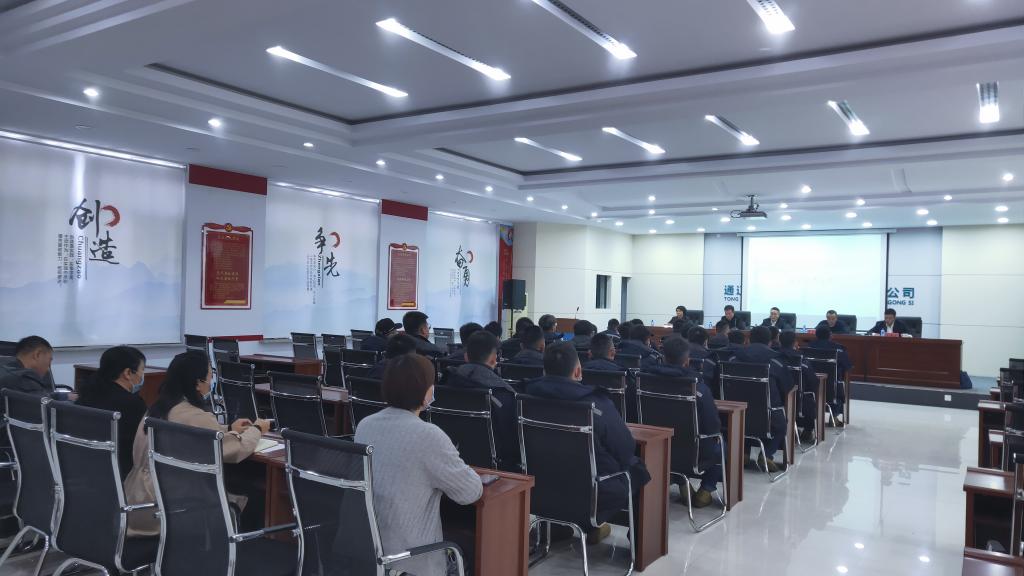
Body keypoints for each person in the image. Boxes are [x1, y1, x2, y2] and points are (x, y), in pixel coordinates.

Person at [355, 354, 482, 576]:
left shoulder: (365, 425)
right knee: (473, 546)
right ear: (426, 393)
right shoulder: (428, 435)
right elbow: (470, 493)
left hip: (367, 552)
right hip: (410, 562)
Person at [125, 350, 271, 535]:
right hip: (169, 505)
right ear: (197, 383)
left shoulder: (157, 409)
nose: (211, 381)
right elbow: (236, 450)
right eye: (209, 376)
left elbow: (196, 431)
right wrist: (257, 429)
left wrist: (228, 428)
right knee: (254, 494)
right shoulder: (194, 415)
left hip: (138, 498)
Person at [525, 343, 650, 537]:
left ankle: (562, 529)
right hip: (592, 493)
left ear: (544, 371)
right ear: (577, 371)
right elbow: (625, 448)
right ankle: (624, 536)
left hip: (539, 488)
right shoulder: (595, 404)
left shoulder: (525, 398)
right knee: (638, 469)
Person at [642, 336, 722, 507]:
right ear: (687, 361)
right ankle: (706, 490)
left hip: (655, 448)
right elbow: (712, 426)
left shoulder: (645, 381)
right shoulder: (697, 387)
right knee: (722, 445)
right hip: (692, 452)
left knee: (676, 445)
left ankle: (682, 483)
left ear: (663, 357)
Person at [445, 331, 519, 470]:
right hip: (493, 465)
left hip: (451, 458)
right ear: (494, 359)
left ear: (466, 357)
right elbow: (511, 441)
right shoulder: (504, 393)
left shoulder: (446, 380)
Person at [75, 345, 148, 480]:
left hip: (84, 469)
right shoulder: (133, 404)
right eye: (142, 370)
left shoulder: (87, 394)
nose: (143, 376)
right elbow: (141, 448)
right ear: (128, 373)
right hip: (121, 474)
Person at [727, 326, 792, 472]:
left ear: (749, 340)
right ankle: (766, 454)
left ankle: (743, 453)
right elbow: (787, 387)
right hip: (768, 414)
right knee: (782, 424)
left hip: (737, 412)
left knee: (747, 418)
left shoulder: (733, 358)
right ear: (770, 342)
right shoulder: (776, 361)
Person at [777, 332, 819, 443]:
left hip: (776, 399)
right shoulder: (800, 359)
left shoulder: (774, 357)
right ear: (795, 343)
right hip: (798, 402)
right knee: (809, 397)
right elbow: (813, 381)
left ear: (779, 342)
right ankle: (807, 431)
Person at [805, 326, 852, 422]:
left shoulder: (808, 347)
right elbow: (847, 366)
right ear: (830, 335)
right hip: (831, 386)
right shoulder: (838, 348)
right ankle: (834, 416)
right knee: (838, 384)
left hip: (811, 385)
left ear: (816, 335)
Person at [687, 327, 718, 396]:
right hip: (704, 394)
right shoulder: (711, 356)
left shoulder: (680, 353)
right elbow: (716, 381)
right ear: (705, 341)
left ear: (688, 339)